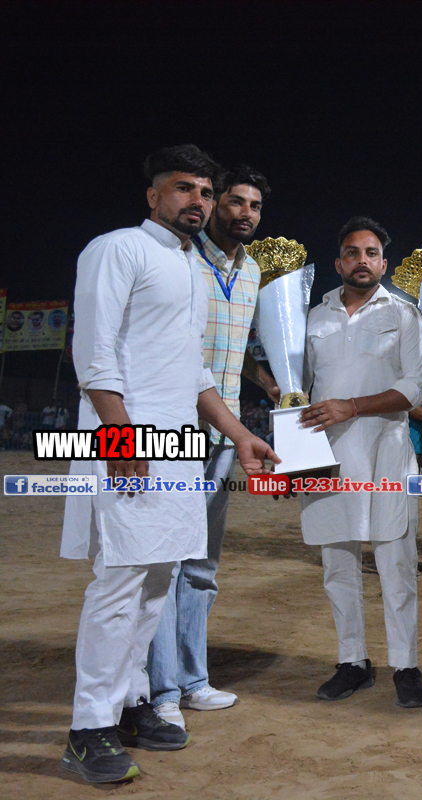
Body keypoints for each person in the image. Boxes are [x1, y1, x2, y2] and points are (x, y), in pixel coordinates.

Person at [60, 145, 278, 784]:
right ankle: (88, 729)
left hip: (180, 447)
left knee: (157, 582)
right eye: (185, 189)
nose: (198, 202)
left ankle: (132, 702)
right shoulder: (117, 248)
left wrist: (239, 434)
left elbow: (195, 369)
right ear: (154, 195)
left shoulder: (188, 267)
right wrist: (119, 439)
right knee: (119, 582)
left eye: (206, 192)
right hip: (126, 444)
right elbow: (93, 353)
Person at [147, 163, 281, 730]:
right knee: (163, 562)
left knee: (202, 565)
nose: (245, 213)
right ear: (213, 204)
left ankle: (194, 679)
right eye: (234, 201)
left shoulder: (252, 272)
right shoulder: (180, 259)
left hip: (225, 436)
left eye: (255, 205)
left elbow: (238, 348)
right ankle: (160, 690)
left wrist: (269, 383)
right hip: (172, 428)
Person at [298, 217, 422, 706]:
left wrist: (351, 407)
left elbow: (416, 387)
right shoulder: (313, 317)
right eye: (352, 253)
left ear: (383, 262)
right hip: (327, 457)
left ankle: (406, 665)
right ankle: (352, 661)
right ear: (338, 263)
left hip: (387, 454)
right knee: (337, 565)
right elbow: (298, 387)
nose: (362, 260)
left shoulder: (405, 315)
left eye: (371, 253)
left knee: (396, 564)